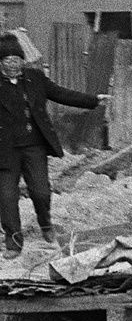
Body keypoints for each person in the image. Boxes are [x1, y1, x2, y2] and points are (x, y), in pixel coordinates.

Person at [0, 32, 110, 258]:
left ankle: (45, 225)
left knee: (41, 192)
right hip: (5, 150)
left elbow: (61, 94)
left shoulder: (35, 78)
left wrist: (93, 100)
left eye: (18, 60)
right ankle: (13, 243)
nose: (14, 65)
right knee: (7, 197)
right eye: (8, 61)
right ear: (0, 62)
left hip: (34, 146)